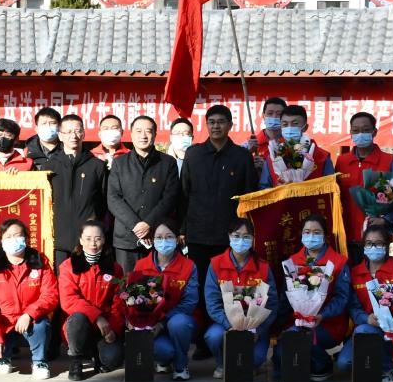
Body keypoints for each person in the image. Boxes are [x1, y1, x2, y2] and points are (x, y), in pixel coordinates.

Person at [179, 105, 259, 358]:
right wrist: (182, 229)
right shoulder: (193, 154)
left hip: (231, 238)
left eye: (221, 121)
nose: (216, 126)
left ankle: (231, 335)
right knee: (202, 290)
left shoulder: (241, 157)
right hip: (198, 234)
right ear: (206, 125)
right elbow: (183, 194)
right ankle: (203, 342)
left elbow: (249, 197)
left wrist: (247, 233)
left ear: (230, 125)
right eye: (211, 121)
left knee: (231, 289)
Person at [0, 219, 58, 379]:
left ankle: (39, 361)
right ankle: (4, 356)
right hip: (4, 323)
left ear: (26, 238)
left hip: (31, 321)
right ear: (1, 241)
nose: (13, 240)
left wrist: (30, 314)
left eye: (18, 235)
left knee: (41, 325)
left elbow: (50, 294)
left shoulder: (39, 262)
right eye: (8, 237)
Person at [273, 214, 350, 382]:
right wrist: (279, 327)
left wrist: (322, 315)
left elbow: (341, 298)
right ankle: (310, 363)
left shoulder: (338, 262)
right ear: (301, 234)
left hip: (329, 324)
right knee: (280, 355)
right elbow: (285, 298)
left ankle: (323, 363)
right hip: (298, 322)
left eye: (317, 232)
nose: (311, 236)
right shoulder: (292, 262)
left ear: (325, 235)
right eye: (307, 232)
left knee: (298, 341)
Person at [335, 225, 393, 382]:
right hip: (366, 327)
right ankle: (370, 364)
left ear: (387, 245)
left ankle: (386, 367)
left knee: (365, 331)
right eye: (369, 243)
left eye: (378, 243)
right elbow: (352, 306)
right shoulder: (355, 273)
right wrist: (366, 318)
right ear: (363, 246)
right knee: (344, 363)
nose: (373, 247)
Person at [204, 218, 278, 378]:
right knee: (213, 337)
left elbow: (272, 303)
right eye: (236, 236)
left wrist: (258, 330)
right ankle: (223, 364)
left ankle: (250, 364)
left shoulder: (263, 267)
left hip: (256, 327)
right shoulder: (216, 264)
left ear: (253, 239)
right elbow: (212, 302)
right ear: (229, 236)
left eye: (246, 236)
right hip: (225, 325)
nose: (241, 240)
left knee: (255, 359)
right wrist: (228, 324)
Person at [107, 115, 181, 274]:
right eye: (138, 131)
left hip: (157, 237)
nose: (143, 135)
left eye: (148, 131)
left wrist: (148, 223)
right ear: (131, 134)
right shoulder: (120, 163)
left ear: (155, 134)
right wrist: (136, 225)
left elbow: (170, 198)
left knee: (157, 284)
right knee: (126, 284)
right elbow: (113, 198)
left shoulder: (168, 163)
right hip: (126, 238)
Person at [130, 219, 199, 380]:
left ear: (177, 239)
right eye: (159, 237)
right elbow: (134, 299)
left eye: (169, 237)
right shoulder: (141, 265)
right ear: (152, 240)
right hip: (151, 324)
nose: (164, 241)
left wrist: (162, 322)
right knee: (164, 351)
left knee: (179, 323)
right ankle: (164, 361)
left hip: (178, 321)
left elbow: (189, 302)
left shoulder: (189, 266)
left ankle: (181, 365)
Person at [58, 221, 125, 381]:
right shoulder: (68, 266)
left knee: (114, 359)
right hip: (80, 325)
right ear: (81, 240)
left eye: (97, 238)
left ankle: (97, 354)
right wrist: (97, 317)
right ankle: (76, 359)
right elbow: (69, 300)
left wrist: (113, 329)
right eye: (88, 239)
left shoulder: (114, 268)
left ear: (104, 240)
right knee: (78, 318)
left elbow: (119, 302)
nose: (93, 244)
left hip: (105, 326)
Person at [335, 112, 393, 266]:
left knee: (376, 278)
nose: (360, 134)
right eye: (356, 130)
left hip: (376, 239)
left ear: (374, 132)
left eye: (365, 130)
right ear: (350, 133)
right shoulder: (342, 161)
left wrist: (385, 220)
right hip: (345, 236)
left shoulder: (388, 161)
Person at [49, 114, 107, 269]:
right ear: (60, 136)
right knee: (61, 280)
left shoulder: (97, 166)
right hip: (58, 241)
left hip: (87, 241)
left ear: (83, 133)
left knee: (88, 280)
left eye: (77, 131)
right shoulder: (50, 166)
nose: (73, 136)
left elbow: (103, 202)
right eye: (68, 132)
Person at [259, 104, 335, 189]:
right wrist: (278, 189)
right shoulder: (272, 157)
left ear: (305, 127)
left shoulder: (322, 157)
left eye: (294, 124)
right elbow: (263, 188)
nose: (289, 128)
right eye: (285, 124)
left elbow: (331, 187)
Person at [24, 107, 63, 171]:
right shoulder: (27, 152)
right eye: (44, 123)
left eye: (52, 123)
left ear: (59, 127)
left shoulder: (68, 149)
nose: (48, 126)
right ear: (36, 129)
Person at [253, 97, 287, 170]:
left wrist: (266, 167)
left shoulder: (291, 144)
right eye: (270, 113)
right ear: (263, 116)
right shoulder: (252, 145)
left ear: (285, 117)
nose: (274, 117)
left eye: (279, 114)